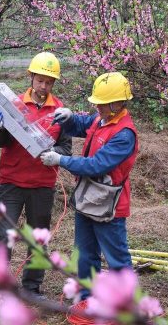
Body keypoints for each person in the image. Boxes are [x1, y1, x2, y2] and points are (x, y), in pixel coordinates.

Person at [40, 72, 139, 301]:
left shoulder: (124, 134)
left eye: (103, 104)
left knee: (116, 258)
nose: (98, 108)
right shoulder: (101, 118)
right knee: (85, 254)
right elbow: (83, 124)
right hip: (87, 199)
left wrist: (61, 160)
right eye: (97, 103)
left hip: (108, 205)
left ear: (118, 103)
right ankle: (87, 298)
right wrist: (69, 118)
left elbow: (96, 165)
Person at [0, 52, 72, 298]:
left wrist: (53, 154)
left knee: (38, 239)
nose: (43, 86)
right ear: (31, 77)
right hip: (12, 182)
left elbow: (66, 148)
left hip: (42, 184)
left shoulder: (60, 112)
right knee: (5, 235)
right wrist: (0, 126)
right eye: (40, 80)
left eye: (48, 82)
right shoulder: (14, 105)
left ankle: (32, 288)